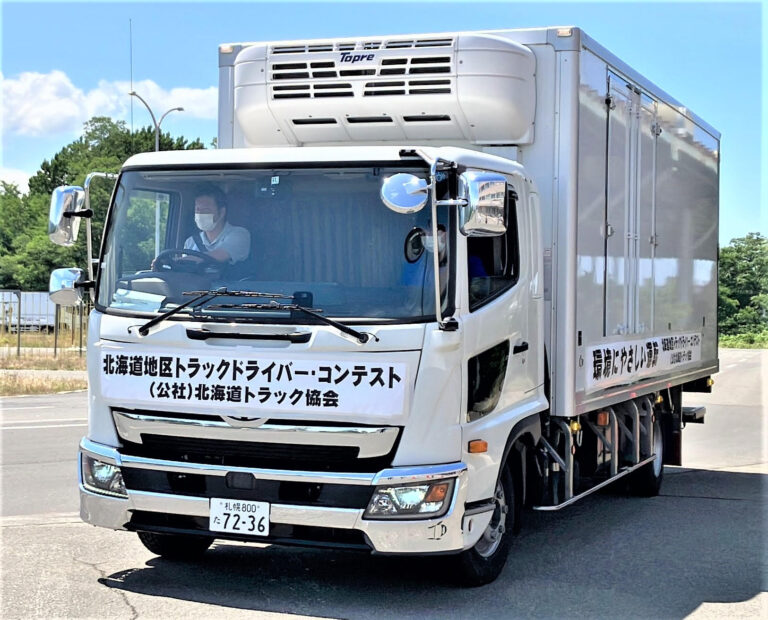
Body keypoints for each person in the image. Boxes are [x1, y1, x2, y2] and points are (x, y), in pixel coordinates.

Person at [183, 186, 250, 264]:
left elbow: (218, 255)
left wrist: (181, 260)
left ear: (221, 212)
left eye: (206, 210)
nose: (200, 214)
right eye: (197, 209)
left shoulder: (239, 234)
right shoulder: (191, 242)